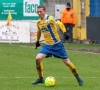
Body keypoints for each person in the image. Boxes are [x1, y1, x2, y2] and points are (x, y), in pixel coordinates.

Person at [31, 5, 83, 86]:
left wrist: (65, 33)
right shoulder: (38, 22)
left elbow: (59, 23)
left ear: (44, 11)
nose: (39, 13)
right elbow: (39, 31)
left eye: (40, 11)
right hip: (47, 46)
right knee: (37, 59)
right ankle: (41, 79)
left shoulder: (50, 19)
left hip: (57, 45)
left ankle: (78, 77)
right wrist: (37, 41)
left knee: (67, 63)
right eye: (38, 12)